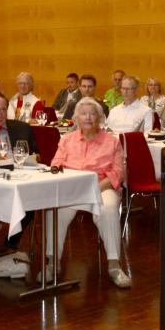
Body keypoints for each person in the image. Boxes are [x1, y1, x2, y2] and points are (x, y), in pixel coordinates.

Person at [47, 97, 132, 288]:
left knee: (108, 209)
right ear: (76, 118)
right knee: (54, 211)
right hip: (72, 189)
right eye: (83, 114)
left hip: (102, 187)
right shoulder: (67, 139)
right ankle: (52, 263)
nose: (88, 117)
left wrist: (96, 188)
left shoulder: (112, 142)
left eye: (93, 113)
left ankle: (114, 266)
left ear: (100, 118)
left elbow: (118, 173)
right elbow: (55, 164)